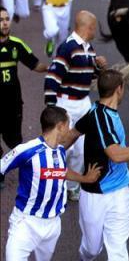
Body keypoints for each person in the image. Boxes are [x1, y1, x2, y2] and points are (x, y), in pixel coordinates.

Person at [62, 70, 129, 261]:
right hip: (96, 194)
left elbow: (73, 133)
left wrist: (58, 150)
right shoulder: (99, 117)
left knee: (118, 248)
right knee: (91, 249)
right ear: (119, 89)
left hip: (120, 191)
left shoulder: (102, 113)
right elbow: (116, 155)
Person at [1, 106, 101, 261]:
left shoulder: (60, 150)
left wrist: (85, 178)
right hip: (26, 223)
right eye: (68, 125)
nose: (69, 130)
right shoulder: (27, 150)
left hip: (53, 225)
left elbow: (61, 171)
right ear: (60, 126)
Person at [43, 10, 108, 201]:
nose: (95, 30)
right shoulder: (67, 48)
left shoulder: (88, 48)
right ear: (88, 27)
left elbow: (89, 75)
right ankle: (55, 185)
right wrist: (52, 108)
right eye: (94, 27)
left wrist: (98, 66)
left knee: (81, 148)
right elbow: (52, 77)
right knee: (63, 147)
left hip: (83, 103)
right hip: (67, 105)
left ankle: (71, 187)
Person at [0, 6, 48, 190]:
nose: (5, 22)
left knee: (14, 141)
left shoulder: (16, 44)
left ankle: (24, 172)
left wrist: (53, 67)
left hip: (13, 102)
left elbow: (35, 64)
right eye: (1, 19)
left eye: (6, 18)